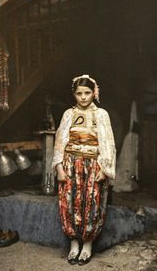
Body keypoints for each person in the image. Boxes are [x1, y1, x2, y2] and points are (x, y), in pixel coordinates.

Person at [51, 74, 116, 265]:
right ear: (74, 94)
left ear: (94, 92)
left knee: (92, 202)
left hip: (93, 165)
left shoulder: (101, 114)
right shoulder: (68, 114)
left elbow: (108, 143)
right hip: (71, 164)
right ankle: (73, 244)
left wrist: (104, 168)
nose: (83, 97)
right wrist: (59, 167)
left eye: (87, 93)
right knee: (69, 202)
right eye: (79, 93)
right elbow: (59, 142)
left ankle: (87, 244)